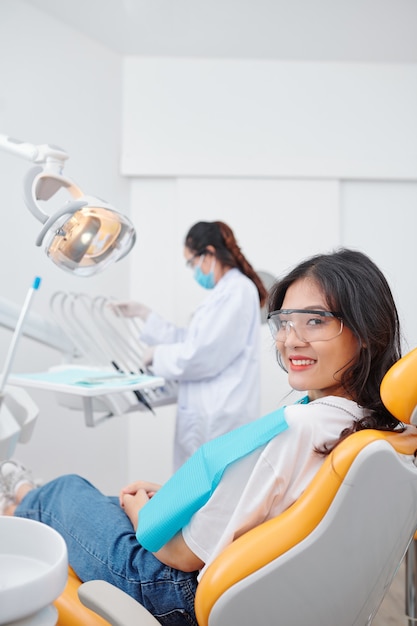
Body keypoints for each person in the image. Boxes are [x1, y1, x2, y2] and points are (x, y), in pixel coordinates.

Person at [1, 248, 402, 626]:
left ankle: (19, 500)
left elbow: (181, 554)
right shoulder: (369, 426)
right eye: (284, 321)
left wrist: (143, 513)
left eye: (315, 320)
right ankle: (22, 496)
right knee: (102, 501)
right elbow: (270, 507)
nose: (291, 339)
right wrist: (172, 500)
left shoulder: (300, 427)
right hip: (248, 578)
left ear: (365, 329)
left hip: (171, 590)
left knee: (65, 492)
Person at [110, 220, 269, 470]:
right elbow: (192, 341)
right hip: (208, 411)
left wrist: (157, 355)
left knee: (210, 495)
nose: (194, 270)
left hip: (219, 415)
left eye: (192, 262)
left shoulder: (236, 292)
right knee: (195, 490)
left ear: (210, 253)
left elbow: (200, 355)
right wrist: (144, 314)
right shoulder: (224, 293)